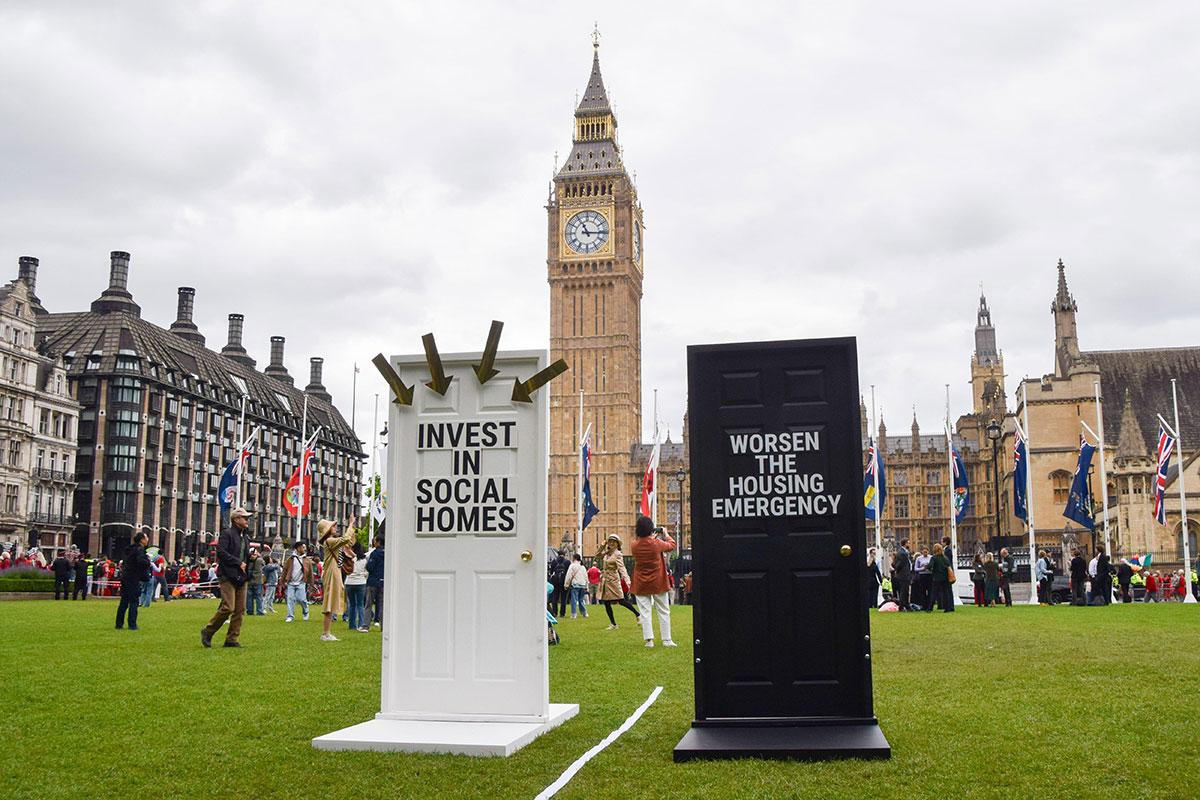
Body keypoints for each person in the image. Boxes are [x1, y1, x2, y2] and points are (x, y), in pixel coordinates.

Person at [200, 508, 252, 648]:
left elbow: (244, 556)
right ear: (236, 520)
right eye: (244, 518)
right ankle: (208, 631)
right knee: (229, 607)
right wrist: (238, 562)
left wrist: (250, 558)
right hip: (227, 575)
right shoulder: (227, 534)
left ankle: (231, 639)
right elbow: (221, 552)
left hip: (241, 577)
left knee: (240, 609)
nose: (247, 520)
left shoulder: (245, 538)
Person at [630, 516, 676, 647]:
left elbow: (643, 546)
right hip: (658, 582)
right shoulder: (657, 543)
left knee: (645, 612)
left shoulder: (634, 546)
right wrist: (666, 534)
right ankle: (667, 639)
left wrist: (651, 538)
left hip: (641, 583)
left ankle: (649, 640)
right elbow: (672, 545)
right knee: (663, 611)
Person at [318, 518, 357, 641]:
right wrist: (350, 525)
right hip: (332, 573)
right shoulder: (330, 541)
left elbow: (348, 542)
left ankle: (327, 632)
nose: (335, 528)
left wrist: (351, 529)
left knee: (331, 601)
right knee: (329, 602)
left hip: (334, 572)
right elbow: (345, 539)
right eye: (332, 527)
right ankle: (325, 633)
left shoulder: (331, 541)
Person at [597, 534, 639, 629]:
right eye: (610, 541)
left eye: (613, 541)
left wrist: (628, 581)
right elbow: (597, 555)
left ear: (617, 544)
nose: (611, 543)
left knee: (621, 600)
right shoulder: (607, 553)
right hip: (605, 579)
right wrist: (602, 546)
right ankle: (613, 624)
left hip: (613, 579)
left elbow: (622, 568)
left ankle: (637, 614)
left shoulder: (617, 554)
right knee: (606, 602)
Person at [116, 530, 151, 630]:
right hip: (133, 577)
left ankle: (119, 623)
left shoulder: (129, 549)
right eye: (146, 538)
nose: (147, 540)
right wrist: (148, 562)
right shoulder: (139, 550)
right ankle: (132, 624)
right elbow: (140, 561)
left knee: (124, 601)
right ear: (142, 540)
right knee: (134, 601)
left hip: (125, 575)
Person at [282, 542, 313, 622]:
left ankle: (305, 611)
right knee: (290, 599)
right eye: (303, 547)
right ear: (298, 548)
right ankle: (290, 616)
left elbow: (310, 573)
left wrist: (311, 584)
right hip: (291, 582)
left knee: (302, 599)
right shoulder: (290, 559)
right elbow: (285, 570)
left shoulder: (307, 560)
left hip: (301, 582)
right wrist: (282, 581)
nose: (305, 549)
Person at [345, 541, 368, 632]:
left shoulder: (349, 559)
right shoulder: (364, 560)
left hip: (350, 582)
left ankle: (352, 624)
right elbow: (367, 571)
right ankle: (361, 623)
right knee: (360, 604)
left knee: (352, 604)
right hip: (361, 582)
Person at [928, 543, 953, 612]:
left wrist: (928, 568)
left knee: (934, 593)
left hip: (937, 578)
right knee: (945, 593)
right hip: (945, 578)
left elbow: (930, 566)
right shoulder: (945, 558)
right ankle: (947, 608)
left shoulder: (934, 558)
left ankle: (930, 608)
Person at [365, 533, 384, 627]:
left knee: (369, 604)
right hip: (383, 581)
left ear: (378, 542)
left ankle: (366, 625)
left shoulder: (374, 554)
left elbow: (370, 567)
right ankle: (382, 625)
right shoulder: (387, 553)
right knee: (381, 604)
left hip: (373, 581)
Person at [563, 553, 589, 619]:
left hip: (575, 585)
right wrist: (586, 586)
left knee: (574, 600)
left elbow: (569, 575)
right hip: (582, 585)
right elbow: (586, 577)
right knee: (581, 600)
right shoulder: (582, 567)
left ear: (574, 558)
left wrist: (566, 584)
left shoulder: (572, 566)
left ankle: (574, 614)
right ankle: (584, 612)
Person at [548, 549, 570, 618]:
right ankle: (562, 613)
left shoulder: (554, 562)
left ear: (558, 555)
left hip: (555, 582)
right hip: (564, 582)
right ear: (564, 555)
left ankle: (555, 612)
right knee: (563, 599)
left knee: (555, 598)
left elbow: (551, 572)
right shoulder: (567, 562)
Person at [891, 539, 912, 611]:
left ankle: (907, 606)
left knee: (905, 591)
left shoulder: (902, 552)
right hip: (904, 574)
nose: (909, 544)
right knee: (903, 591)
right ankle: (901, 607)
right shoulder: (902, 553)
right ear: (905, 543)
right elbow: (900, 564)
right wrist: (897, 570)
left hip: (904, 574)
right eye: (908, 543)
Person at [915, 547, 933, 611]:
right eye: (924, 552)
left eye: (926, 552)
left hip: (930, 575)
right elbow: (915, 568)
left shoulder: (931, 558)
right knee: (922, 591)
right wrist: (922, 569)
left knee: (930, 591)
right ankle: (923, 606)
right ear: (922, 552)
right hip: (922, 575)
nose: (925, 553)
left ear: (928, 551)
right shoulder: (919, 558)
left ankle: (929, 605)